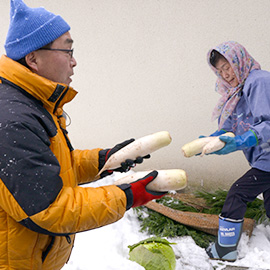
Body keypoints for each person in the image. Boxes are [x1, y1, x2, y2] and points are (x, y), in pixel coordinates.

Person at [0, 1, 167, 269]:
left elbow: (50, 168)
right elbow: (48, 208)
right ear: (33, 59)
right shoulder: (13, 119)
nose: (74, 61)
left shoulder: (32, 102)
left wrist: (105, 160)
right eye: (67, 50)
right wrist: (128, 195)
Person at [203, 41, 270, 262]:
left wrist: (244, 139)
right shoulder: (237, 92)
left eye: (228, 66)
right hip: (263, 157)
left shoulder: (258, 82)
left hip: (268, 158)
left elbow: (268, 123)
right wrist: (213, 140)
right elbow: (231, 124)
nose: (226, 74)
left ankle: (225, 249)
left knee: (238, 193)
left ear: (239, 61)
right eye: (220, 70)